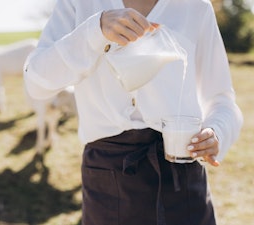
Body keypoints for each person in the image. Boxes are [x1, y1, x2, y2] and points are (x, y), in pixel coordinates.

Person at [23, 0, 243, 224]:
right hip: (108, 179)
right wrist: (94, 31)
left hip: (183, 178)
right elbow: (36, 83)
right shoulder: (79, 3)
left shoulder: (195, 7)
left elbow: (222, 100)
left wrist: (217, 132)